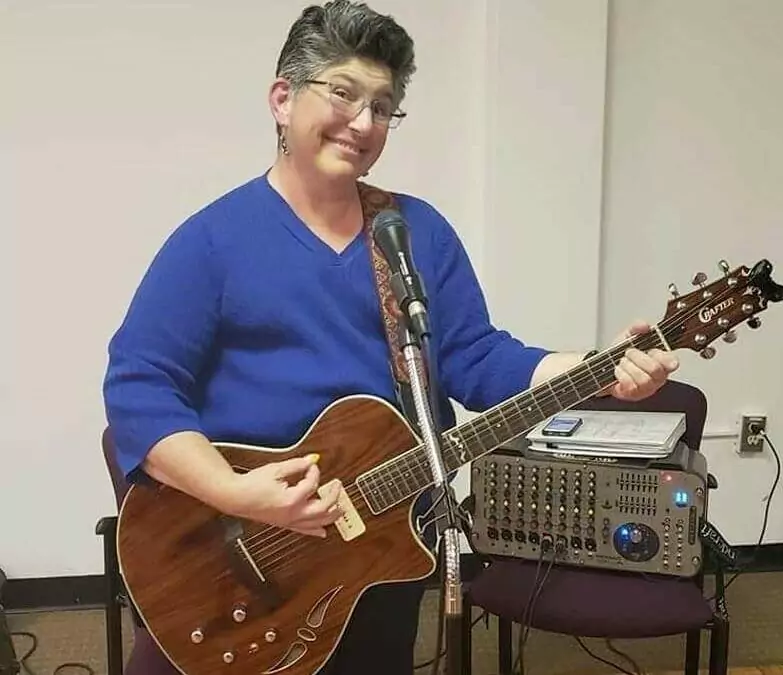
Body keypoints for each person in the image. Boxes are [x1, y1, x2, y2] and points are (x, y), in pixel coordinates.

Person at [102, 1, 679, 673]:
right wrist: (237, 494)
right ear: (283, 100)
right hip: (233, 547)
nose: (363, 122)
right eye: (343, 94)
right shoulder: (212, 241)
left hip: (383, 540)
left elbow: (474, 357)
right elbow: (139, 386)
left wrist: (600, 367)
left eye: (382, 107)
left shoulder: (412, 232)